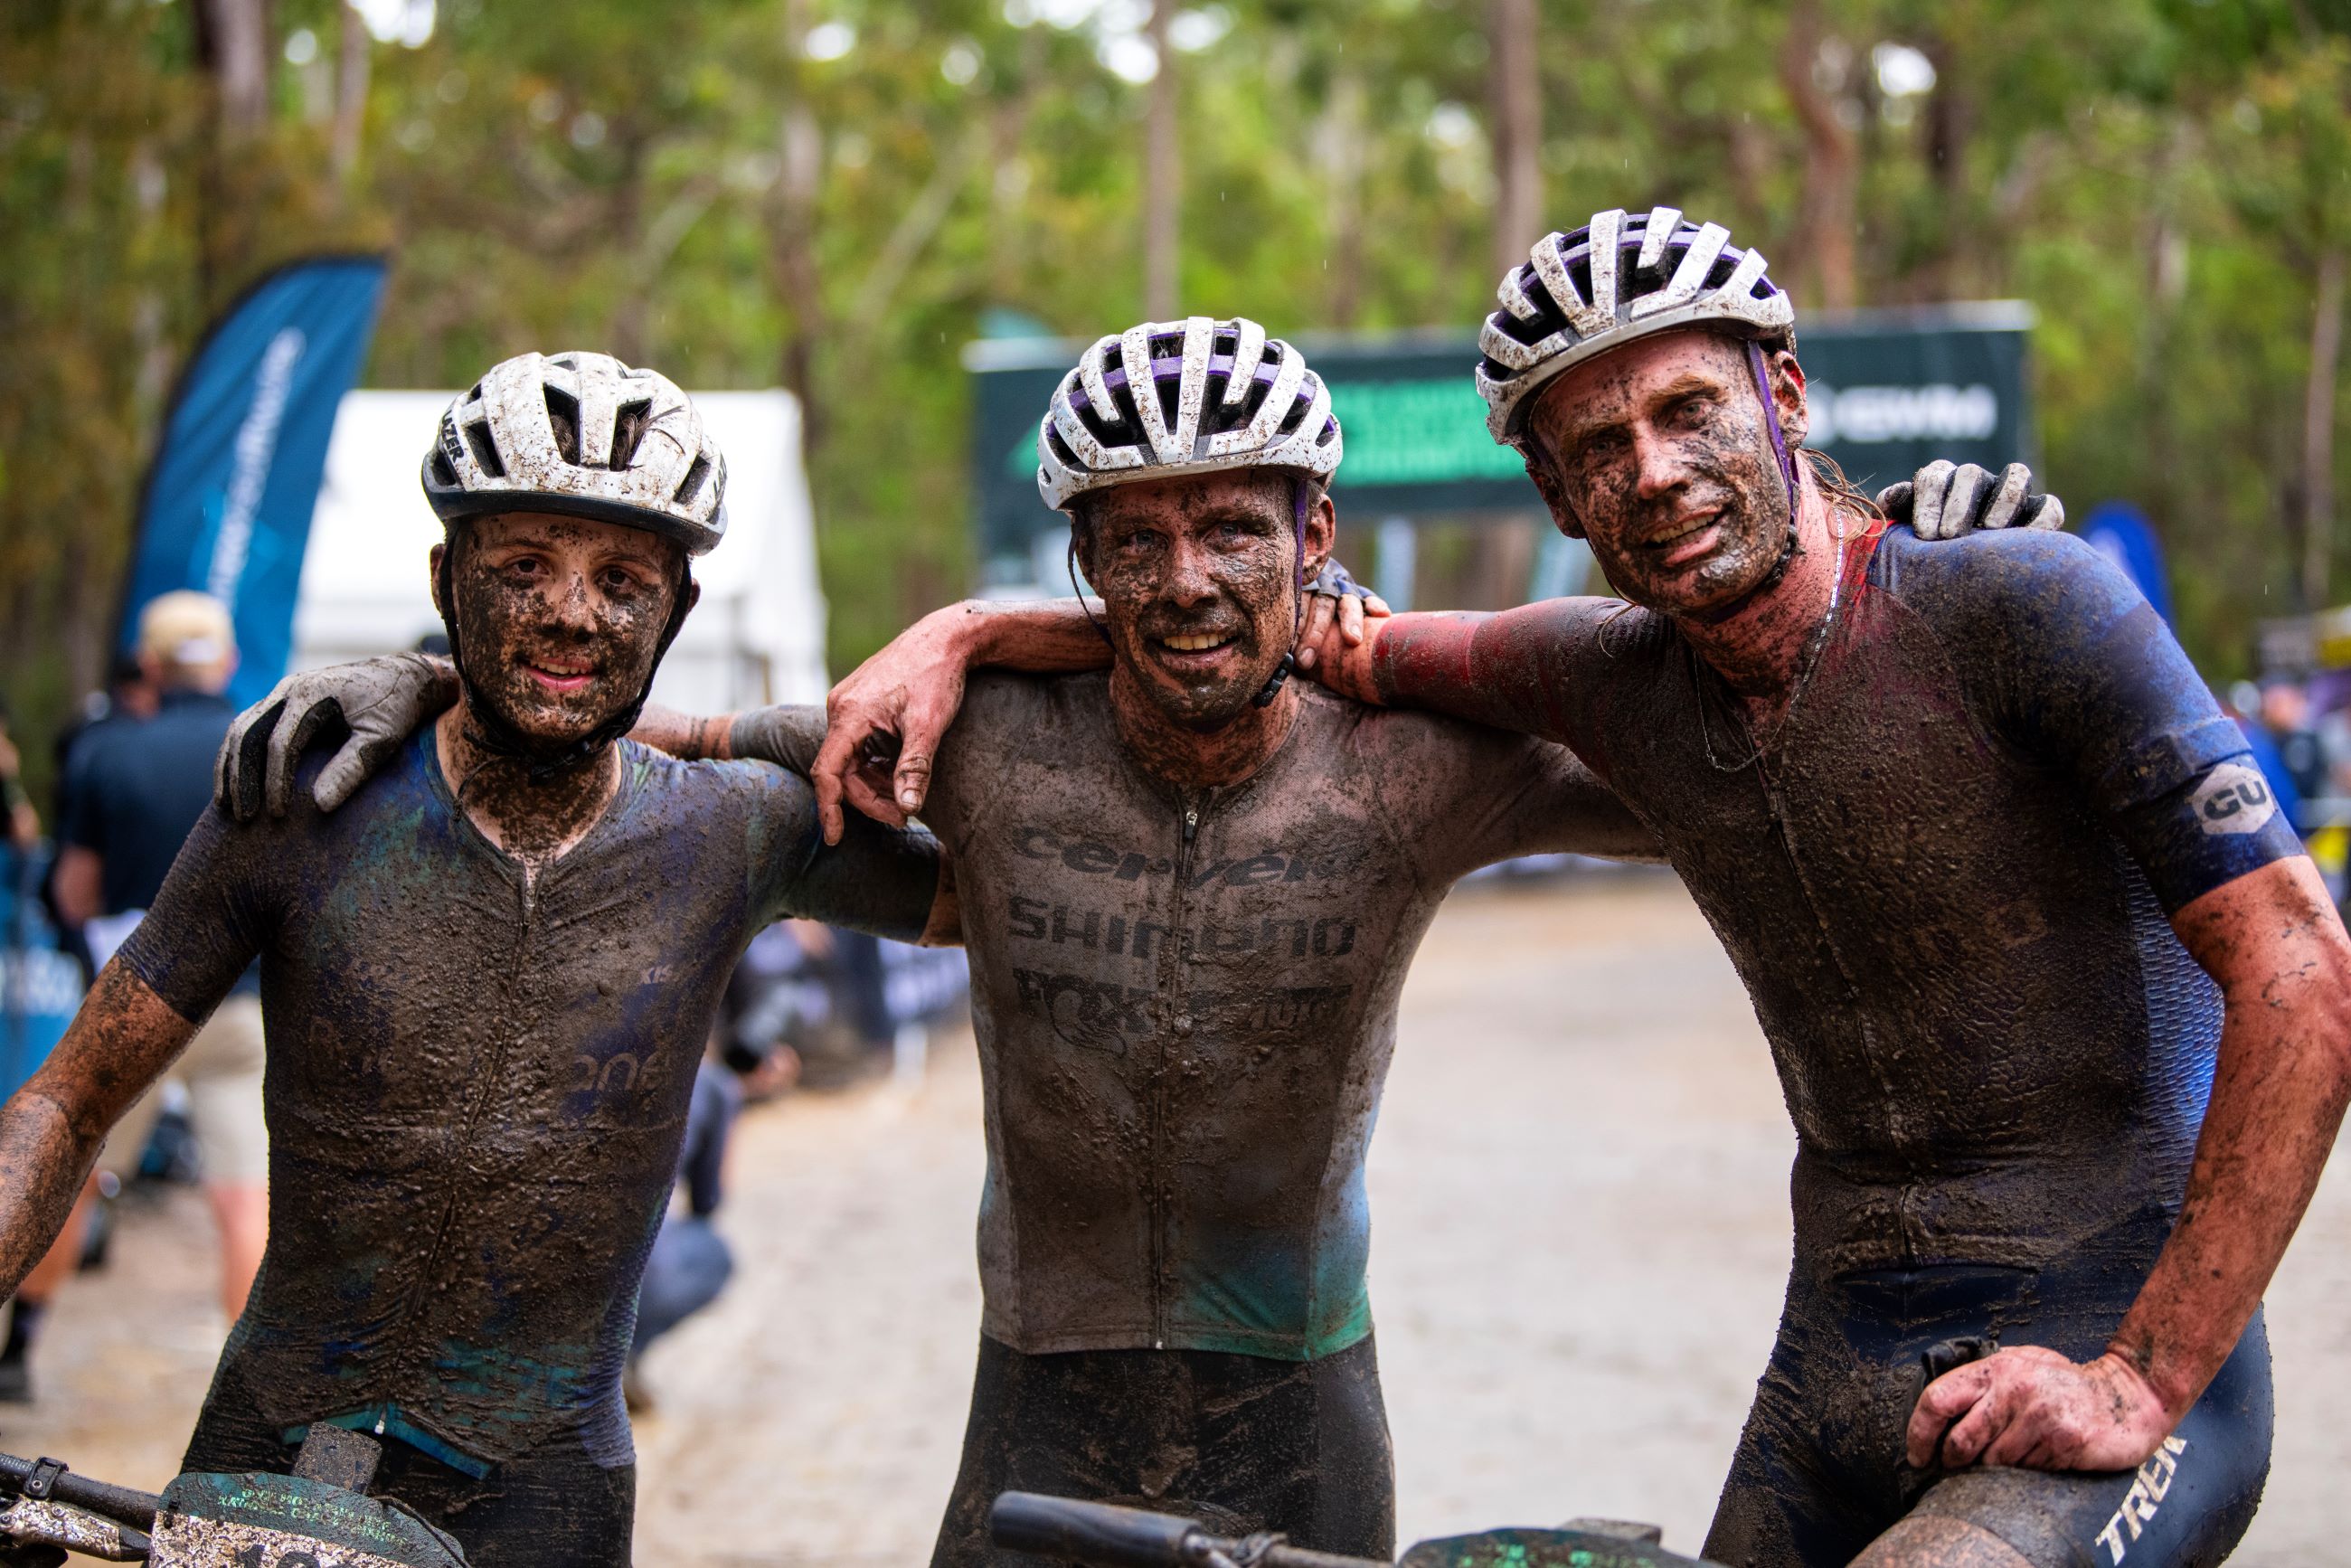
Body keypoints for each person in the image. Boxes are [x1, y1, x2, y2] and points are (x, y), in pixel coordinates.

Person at [1272, 210, 2348, 1567]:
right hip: (1835, 1370)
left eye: (1687, 408)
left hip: (2107, 1337)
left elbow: (2303, 969)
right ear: (1556, 497)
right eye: (1599, 448)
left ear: (1783, 393)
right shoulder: (1601, 674)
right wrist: (961, 636)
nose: (1653, 473)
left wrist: (2140, 1375)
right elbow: (1310, 634)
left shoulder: (2016, 598)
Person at [0, 351, 947, 1568]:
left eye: (621, 578)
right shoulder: (305, 795)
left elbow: (1042, 867)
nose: (571, 610)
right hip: (267, 1456)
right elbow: (69, 1098)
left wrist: (755, 717)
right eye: (521, 568)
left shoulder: (738, 830)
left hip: (545, 1493)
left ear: (680, 610)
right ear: (446, 577)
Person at [49, 590, 270, 1329]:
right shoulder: (274, 750)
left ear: (149, 664)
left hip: (134, 1003)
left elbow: (74, 895)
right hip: (240, 1005)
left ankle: (17, 1351)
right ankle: (243, 1398)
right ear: (229, 661)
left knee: (68, 1179)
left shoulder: (106, 752)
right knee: (244, 1199)